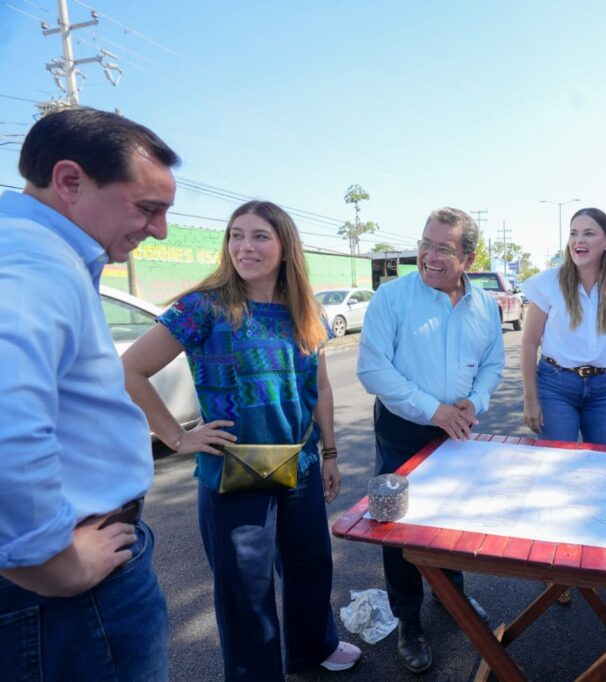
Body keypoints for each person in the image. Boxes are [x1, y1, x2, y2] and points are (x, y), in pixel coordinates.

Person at [121, 201, 361, 679]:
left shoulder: (304, 309)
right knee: (245, 594)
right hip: (233, 473)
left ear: (285, 246)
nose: (244, 247)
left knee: (310, 568)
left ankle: (313, 647)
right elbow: (130, 369)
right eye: (235, 235)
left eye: (259, 236)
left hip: (300, 466)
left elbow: (322, 387)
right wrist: (176, 436)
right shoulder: (204, 307)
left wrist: (329, 452)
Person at [0, 108, 176, 679]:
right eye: (148, 208)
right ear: (70, 181)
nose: (159, 230)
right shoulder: (34, 258)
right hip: (72, 595)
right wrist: (54, 564)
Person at [357, 207, 504, 673]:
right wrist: (433, 410)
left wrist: (474, 401)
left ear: (469, 257)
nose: (429, 255)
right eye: (425, 243)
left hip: (457, 428)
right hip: (403, 427)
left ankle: (452, 597)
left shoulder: (484, 306)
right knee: (398, 527)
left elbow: (493, 365)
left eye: (443, 247)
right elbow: (373, 369)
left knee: (448, 519)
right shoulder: (393, 297)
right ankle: (409, 620)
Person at [520, 207, 606, 446]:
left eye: (588, 233)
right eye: (573, 233)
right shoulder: (548, 282)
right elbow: (529, 342)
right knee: (557, 463)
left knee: (603, 466)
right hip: (555, 387)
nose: (578, 240)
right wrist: (530, 398)